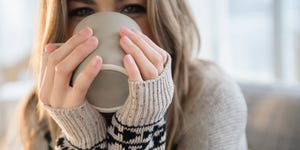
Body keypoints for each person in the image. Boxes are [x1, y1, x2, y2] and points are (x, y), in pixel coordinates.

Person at [19, 0, 248, 149]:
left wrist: (139, 127)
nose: (114, 31)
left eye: (132, 8)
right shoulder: (39, 110)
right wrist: (79, 132)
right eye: (83, 11)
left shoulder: (212, 97)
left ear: (164, 18)